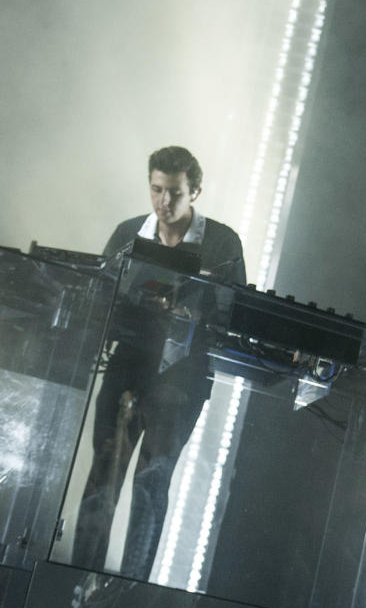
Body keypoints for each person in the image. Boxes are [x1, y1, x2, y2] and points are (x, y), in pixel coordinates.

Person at [71, 145, 246, 581]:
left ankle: (129, 588)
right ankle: (77, 577)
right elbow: (101, 299)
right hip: (128, 364)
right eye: (156, 190)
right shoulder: (129, 232)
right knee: (105, 468)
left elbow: (234, 314)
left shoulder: (223, 243)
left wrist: (194, 306)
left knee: (153, 477)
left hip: (182, 373)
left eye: (174, 193)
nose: (163, 203)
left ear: (196, 192)